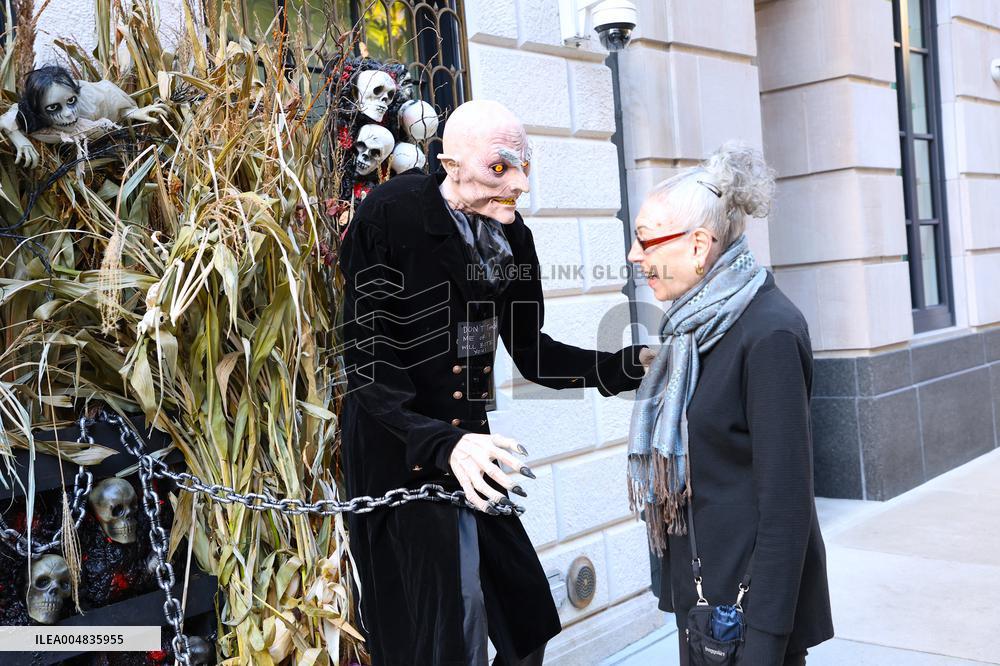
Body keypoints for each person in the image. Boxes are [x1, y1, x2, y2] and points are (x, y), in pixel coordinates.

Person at [338, 99, 649, 666]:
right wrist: (443, 444)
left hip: (474, 451)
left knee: (526, 618)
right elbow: (368, 365)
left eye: (524, 166)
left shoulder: (513, 238)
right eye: (501, 167)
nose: (520, 184)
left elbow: (533, 352)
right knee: (435, 636)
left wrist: (622, 366)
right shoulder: (390, 213)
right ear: (451, 164)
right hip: (398, 453)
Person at [626, 143, 834, 665]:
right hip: (704, 601)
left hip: (751, 617)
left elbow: (787, 504)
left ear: (699, 246)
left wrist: (764, 642)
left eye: (645, 240)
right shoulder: (691, 332)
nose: (634, 255)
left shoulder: (769, 332)